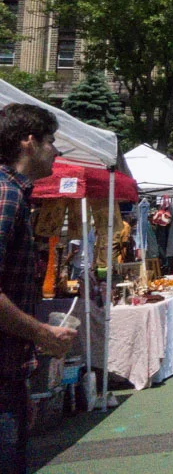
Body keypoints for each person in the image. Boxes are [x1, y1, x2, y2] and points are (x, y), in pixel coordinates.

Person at [0, 104, 77, 471]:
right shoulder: (6, 195)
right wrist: (42, 333)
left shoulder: (16, 194)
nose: (56, 151)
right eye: (51, 141)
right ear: (28, 142)